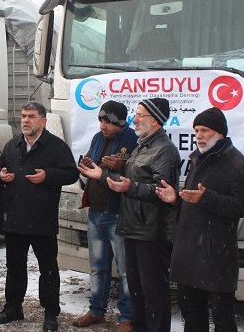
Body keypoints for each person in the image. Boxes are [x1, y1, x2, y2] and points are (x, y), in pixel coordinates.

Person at [78, 97, 180, 332]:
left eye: (140, 115)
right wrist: (100, 175)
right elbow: (130, 178)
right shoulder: (144, 145)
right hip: (131, 225)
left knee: (153, 290)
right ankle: (136, 324)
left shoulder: (163, 150)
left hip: (150, 230)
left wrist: (127, 185)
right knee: (137, 287)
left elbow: (161, 190)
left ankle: (144, 324)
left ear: (154, 120)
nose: (135, 119)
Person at [156, 107, 244, 332]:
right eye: (196, 130)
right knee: (191, 313)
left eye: (205, 130)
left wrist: (207, 198)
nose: (198, 135)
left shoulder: (238, 164)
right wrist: (175, 200)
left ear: (220, 133)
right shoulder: (198, 158)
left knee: (222, 316)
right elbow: (193, 202)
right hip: (189, 251)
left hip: (216, 253)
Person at [0, 102, 79, 332]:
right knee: (15, 267)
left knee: (48, 269)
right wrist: (1, 176)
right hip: (16, 220)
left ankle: (50, 312)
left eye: (31, 116)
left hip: (42, 220)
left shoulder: (56, 147)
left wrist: (48, 175)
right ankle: (13, 307)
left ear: (43, 120)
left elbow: (71, 173)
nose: (26, 120)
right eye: (23, 116)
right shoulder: (13, 145)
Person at [71, 100, 137, 332]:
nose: (103, 125)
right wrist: (86, 163)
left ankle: (127, 317)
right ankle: (96, 310)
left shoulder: (133, 139)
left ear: (120, 122)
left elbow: (138, 174)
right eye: (101, 120)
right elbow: (90, 163)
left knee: (126, 270)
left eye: (108, 121)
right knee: (98, 267)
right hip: (96, 213)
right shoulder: (98, 138)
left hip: (118, 214)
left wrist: (122, 165)